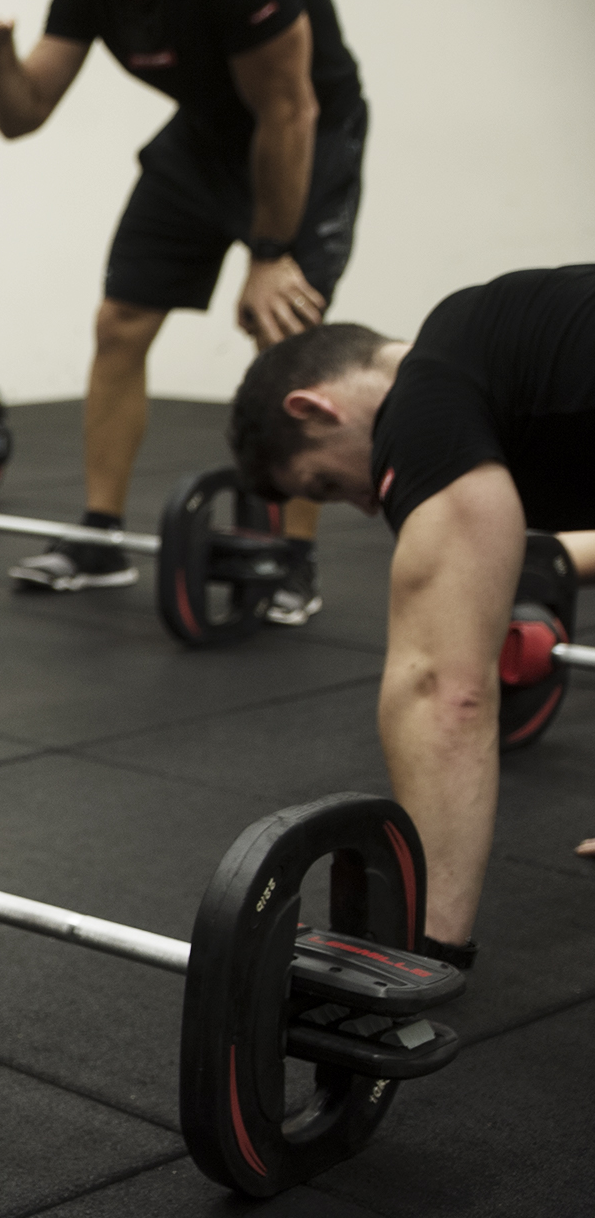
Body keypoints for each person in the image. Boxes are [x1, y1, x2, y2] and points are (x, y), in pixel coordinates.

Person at [0, 0, 364, 621]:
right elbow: (23, 114)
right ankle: (99, 537)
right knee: (119, 321)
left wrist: (270, 252)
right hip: (204, 140)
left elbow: (288, 109)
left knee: (287, 340)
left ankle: (292, 555)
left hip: (302, 137)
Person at [225, 266, 595, 967]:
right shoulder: (498, 354)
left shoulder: (426, 399)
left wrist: (420, 957)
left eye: (326, 485)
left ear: (314, 407)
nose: (367, 508)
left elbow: (446, 691)